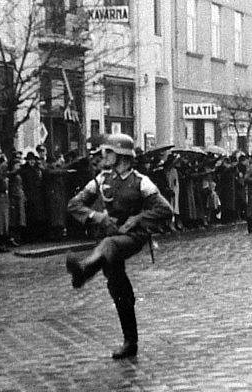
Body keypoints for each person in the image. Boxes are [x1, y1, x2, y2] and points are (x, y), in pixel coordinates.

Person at [66, 134, 174, 359]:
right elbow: (74, 204)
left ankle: (84, 270)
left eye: (108, 152)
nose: (104, 156)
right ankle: (130, 342)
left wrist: (137, 219)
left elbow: (165, 210)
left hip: (132, 237)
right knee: (118, 288)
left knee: (109, 245)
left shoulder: (141, 181)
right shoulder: (101, 180)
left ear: (122, 156)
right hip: (110, 240)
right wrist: (97, 217)